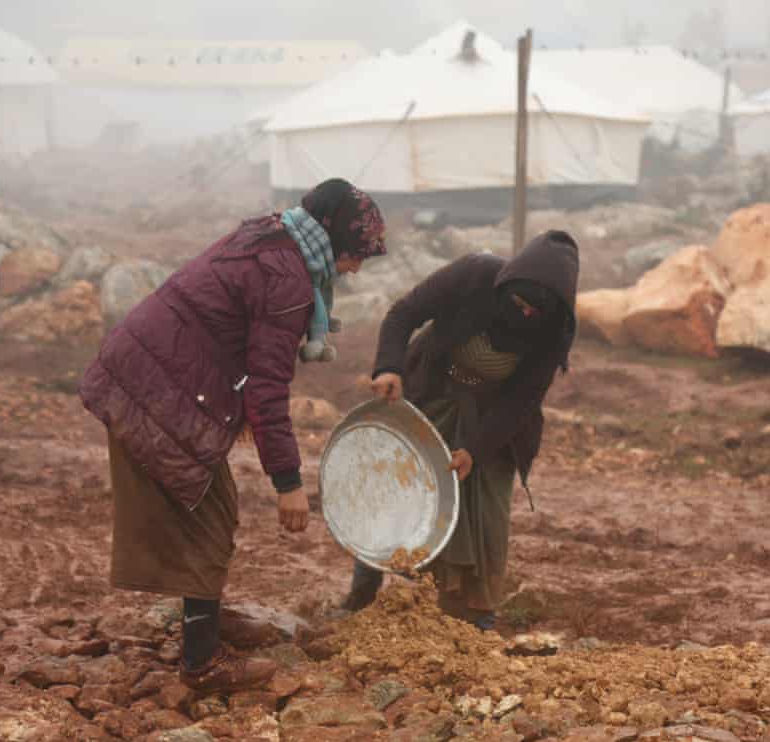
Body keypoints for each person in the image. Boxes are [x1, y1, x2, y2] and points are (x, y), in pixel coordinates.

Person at [79, 179, 386, 693]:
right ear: (335, 241)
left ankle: (202, 638)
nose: (355, 269)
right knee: (209, 520)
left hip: (149, 377)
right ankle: (201, 666)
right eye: (356, 255)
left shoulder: (272, 235)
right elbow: (268, 388)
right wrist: (287, 483)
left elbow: (226, 333)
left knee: (209, 512)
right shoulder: (288, 280)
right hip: (157, 391)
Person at [340, 230, 579, 630]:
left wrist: (474, 449)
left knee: (487, 513)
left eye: (534, 314)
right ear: (507, 284)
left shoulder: (553, 330)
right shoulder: (473, 274)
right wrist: (388, 367)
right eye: (518, 303)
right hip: (429, 392)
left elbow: (522, 399)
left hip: (495, 422)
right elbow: (403, 314)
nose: (523, 316)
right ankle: (366, 593)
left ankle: (476, 615)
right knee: (400, 493)